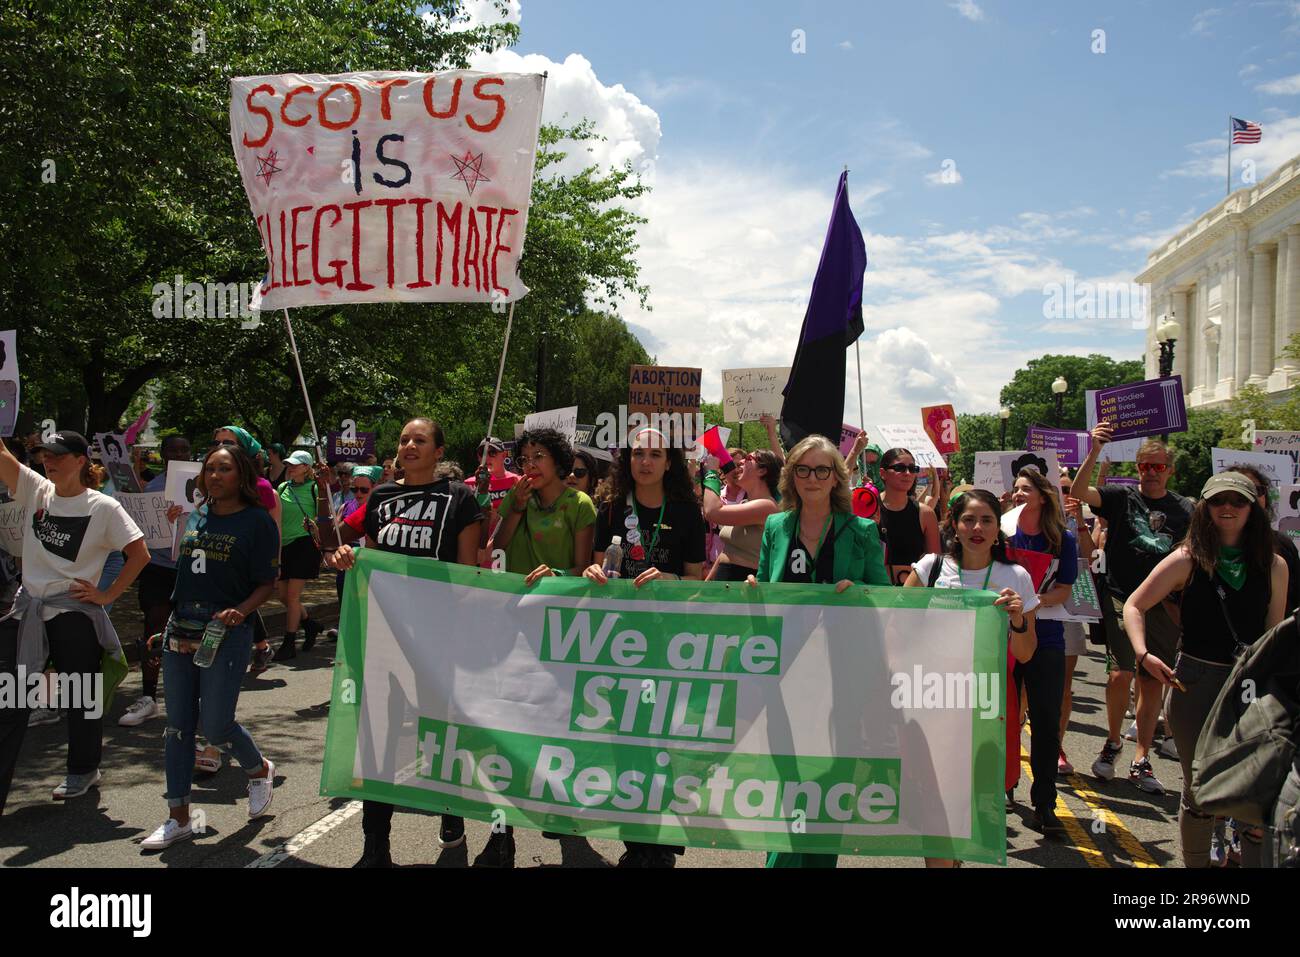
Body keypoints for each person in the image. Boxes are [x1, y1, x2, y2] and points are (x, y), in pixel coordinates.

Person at [329, 418, 482, 868]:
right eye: (403, 440)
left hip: (438, 640)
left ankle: (450, 811)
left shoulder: (460, 499)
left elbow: (466, 574)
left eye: (420, 440)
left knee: (439, 733)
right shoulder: (380, 497)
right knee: (378, 737)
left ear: (439, 451)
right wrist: (347, 556)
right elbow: (370, 560)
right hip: (383, 634)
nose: (409, 446)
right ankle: (376, 844)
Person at [1123, 471, 1287, 868]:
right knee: (1200, 791)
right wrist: (1144, 654)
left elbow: (1274, 635)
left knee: (1253, 791)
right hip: (1193, 683)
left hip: (1249, 687)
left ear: (1253, 507)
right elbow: (1134, 605)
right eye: (1218, 501)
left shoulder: (1274, 565)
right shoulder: (1188, 558)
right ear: (1205, 507)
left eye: (1238, 501)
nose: (1227, 508)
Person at [745, 435, 891, 868]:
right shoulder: (776, 526)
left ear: (836, 478)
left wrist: (859, 592)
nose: (812, 478)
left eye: (822, 470)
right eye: (803, 469)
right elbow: (763, 585)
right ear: (791, 475)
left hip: (841, 673)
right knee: (788, 780)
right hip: (786, 671)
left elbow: (884, 597)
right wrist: (754, 591)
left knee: (829, 780)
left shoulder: (861, 530)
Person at [139, 444, 279, 849]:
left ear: (242, 477)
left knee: (216, 725)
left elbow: (266, 583)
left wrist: (241, 612)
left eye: (224, 469)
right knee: (178, 728)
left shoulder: (257, 522)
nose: (215, 476)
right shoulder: (195, 515)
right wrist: (166, 624)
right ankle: (178, 816)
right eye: (209, 469)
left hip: (225, 630)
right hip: (181, 624)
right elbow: (184, 573)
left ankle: (257, 768)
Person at [0, 431, 149, 810]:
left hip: (74, 615)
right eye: (44, 455)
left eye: (58, 455)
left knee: (80, 698)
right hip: (29, 611)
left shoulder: (103, 507)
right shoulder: (36, 489)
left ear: (81, 460)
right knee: (10, 701)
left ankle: (84, 770)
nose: (49, 461)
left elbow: (139, 554)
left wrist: (107, 595)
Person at [584, 427, 706, 867]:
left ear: (669, 462)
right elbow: (595, 564)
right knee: (626, 738)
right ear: (627, 460)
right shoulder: (611, 507)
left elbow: (697, 580)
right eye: (638, 453)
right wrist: (594, 573)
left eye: (655, 454)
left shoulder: (688, 512)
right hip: (617, 639)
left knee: (659, 736)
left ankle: (660, 840)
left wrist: (669, 580)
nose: (646, 461)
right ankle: (639, 841)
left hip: (666, 641)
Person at [905, 489, 1038, 859]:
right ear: (954, 525)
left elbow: (1026, 653)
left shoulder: (1017, 576)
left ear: (999, 528)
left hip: (986, 703)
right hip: (932, 696)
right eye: (968, 519)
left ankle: (954, 854)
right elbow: (895, 625)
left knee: (969, 797)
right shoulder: (930, 568)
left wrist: (1016, 619)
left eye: (986, 520)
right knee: (935, 798)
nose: (977, 528)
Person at [1071, 429, 1192, 795]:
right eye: (1143, 466)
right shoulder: (1120, 498)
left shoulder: (1185, 509)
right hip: (1123, 599)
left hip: (1163, 602)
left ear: (1169, 470)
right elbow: (1078, 493)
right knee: (1120, 673)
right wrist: (1093, 451)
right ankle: (1112, 742)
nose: (1149, 472)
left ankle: (1142, 757)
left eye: (1157, 466)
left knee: (1151, 679)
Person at [1004, 467, 1077, 828]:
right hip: (1002, 638)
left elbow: (1064, 590)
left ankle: (1045, 802)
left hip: (1047, 638)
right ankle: (1004, 786)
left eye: (1025, 489)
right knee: (1002, 718)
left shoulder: (1062, 539)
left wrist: (1030, 602)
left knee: (1046, 722)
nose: (1018, 494)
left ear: (1043, 496)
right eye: (1016, 488)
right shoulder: (1000, 531)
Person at [119, 434, 192, 728]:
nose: (178, 454)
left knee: (192, 632)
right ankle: (149, 697)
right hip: (159, 568)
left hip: (194, 568)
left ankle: (191, 698)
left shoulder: (208, 483)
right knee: (154, 624)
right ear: (162, 454)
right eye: (172, 450)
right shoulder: (151, 488)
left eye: (183, 449)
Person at [211, 427, 284, 673]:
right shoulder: (210, 482)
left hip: (247, 562)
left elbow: (272, 530)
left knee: (242, 603)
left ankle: (256, 649)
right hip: (216, 558)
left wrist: (276, 564)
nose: (221, 446)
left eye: (229, 442)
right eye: (218, 442)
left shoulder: (261, 488)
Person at [492, 428, 596, 586]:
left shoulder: (580, 504)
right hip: (513, 597)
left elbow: (583, 568)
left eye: (538, 456)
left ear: (557, 460)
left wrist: (555, 575)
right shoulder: (517, 493)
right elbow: (497, 548)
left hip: (555, 602)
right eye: (524, 459)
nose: (530, 465)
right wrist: (517, 508)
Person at [1058, 469, 1098, 775]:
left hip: (1069, 608)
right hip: (1032, 611)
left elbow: (1093, 559)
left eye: (1068, 488)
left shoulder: (1079, 523)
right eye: (1058, 488)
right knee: (1025, 688)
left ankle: (1056, 747)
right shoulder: (1022, 519)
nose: (1064, 493)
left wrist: (1081, 524)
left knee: (1063, 687)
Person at [273, 450, 329, 661]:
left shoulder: (315, 488)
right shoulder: (282, 487)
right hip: (285, 545)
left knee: (293, 597)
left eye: (296, 464)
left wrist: (315, 525)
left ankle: (289, 643)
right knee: (283, 597)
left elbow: (323, 515)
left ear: (307, 467)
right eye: (289, 463)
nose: (291, 466)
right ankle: (310, 625)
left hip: (304, 544)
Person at [702, 449, 782, 581]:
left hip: (744, 588)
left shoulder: (767, 507)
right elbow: (727, 552)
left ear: (762, 470)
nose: (740, 462)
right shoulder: (745, 503)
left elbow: (712, 512)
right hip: (724, 587)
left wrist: (711, 473)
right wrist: (704, 589)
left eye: (748, 458)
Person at [1231, 465, 1300, 614]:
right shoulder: (1207, 548)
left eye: (1257, 490)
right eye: (1241, 490)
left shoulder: (1284, 545)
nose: (1251, 496)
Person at [878, 448, 941, 585]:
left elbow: (935, 564)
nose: (907, 473)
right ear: (883, 473)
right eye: (900, 468)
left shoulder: (926, 514)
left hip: (911, 596)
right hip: (872, 592)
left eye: (913, 469)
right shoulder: (869, 508)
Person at [333, 465, 378, 603]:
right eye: (354, 489)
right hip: (346, 565)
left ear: (375, 488)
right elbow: (334, 538)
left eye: (364, 490)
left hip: (369, 568)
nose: (358, 493)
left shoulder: (380, 510)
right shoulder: (345, 507)